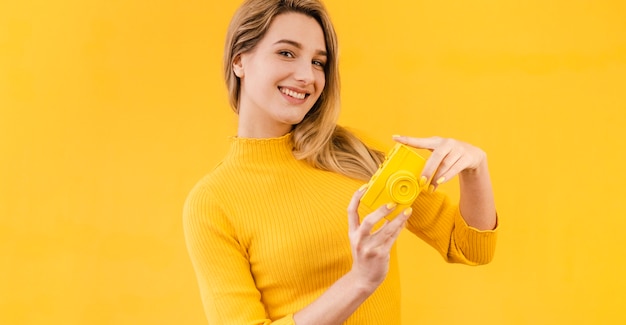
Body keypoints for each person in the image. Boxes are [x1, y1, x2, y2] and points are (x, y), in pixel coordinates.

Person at [183, 0, 498, 324]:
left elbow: (469, 247)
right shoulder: (212, 203)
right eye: (287, 53)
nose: (307, 76)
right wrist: (359, 281)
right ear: (239, 60)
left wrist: (475, 169)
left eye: (319, 62)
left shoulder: (356, 152)